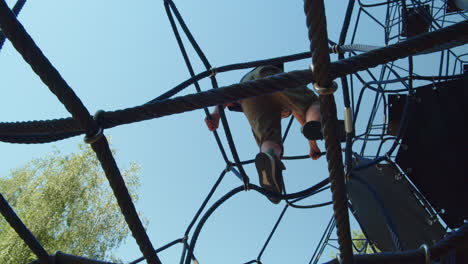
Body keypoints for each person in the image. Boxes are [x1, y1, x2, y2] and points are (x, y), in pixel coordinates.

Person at [204, 64, 325, 204]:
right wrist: (313, 144)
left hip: (247, 89)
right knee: (312, 104)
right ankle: (320, 124)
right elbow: (302, 116)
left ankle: (269, 157)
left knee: (268, 137)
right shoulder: (286, 105)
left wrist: (216, 114)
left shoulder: (272, 109)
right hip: (266, 72)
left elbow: (228, 94)